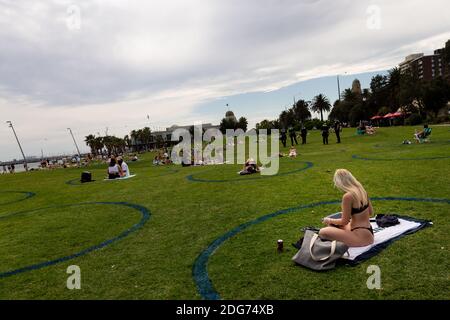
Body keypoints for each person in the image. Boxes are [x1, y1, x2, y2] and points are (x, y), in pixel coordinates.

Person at [319, 169, 375, 247]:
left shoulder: (348, 196)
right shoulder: (362, 190)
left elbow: (344, 221)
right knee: (335, 226)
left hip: (360, 236)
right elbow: (370, 212)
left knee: (323, 232)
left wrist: (328, 220)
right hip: (367, 231)